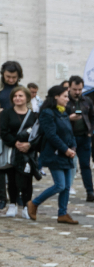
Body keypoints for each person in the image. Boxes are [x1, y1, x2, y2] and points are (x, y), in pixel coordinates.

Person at [27, 85, 78, 223]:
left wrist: (73, 147)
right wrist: (65, 149)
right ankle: (34, 203)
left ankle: (62, 214)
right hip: (54, 154)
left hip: (67, 153)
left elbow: (69, 133)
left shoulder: (63, 112)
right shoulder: (47, 113)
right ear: (56, 96)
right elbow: (51, 135)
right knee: (60, 185)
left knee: (67, 186)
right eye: (65, 96)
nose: (68, 99)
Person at [0, 86, 38, 217]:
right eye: (15, 96)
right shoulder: (6, 113)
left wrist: (29, 145)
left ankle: (27, 206)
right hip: (12, 151)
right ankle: (13, 204)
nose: (18, 98)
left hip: (28, 152)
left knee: (27, 179)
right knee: (11, 179)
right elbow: (3, 131)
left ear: (27, 97)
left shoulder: (33, 115)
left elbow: (37, 133)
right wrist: (15, 142)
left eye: (20, 96)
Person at [65, 75, 94, 202]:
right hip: (69, 137)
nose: (77, 92)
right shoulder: (64, 101)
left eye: (79, 89)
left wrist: (92, 130)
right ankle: (66, 189)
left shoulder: (87, 100)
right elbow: (58, 118)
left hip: (85, 137)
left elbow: (93, 116)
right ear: (69, 87)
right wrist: (69, 118)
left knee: (85, 165)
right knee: (69, 164)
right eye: (75, 89)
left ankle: (90, 192)